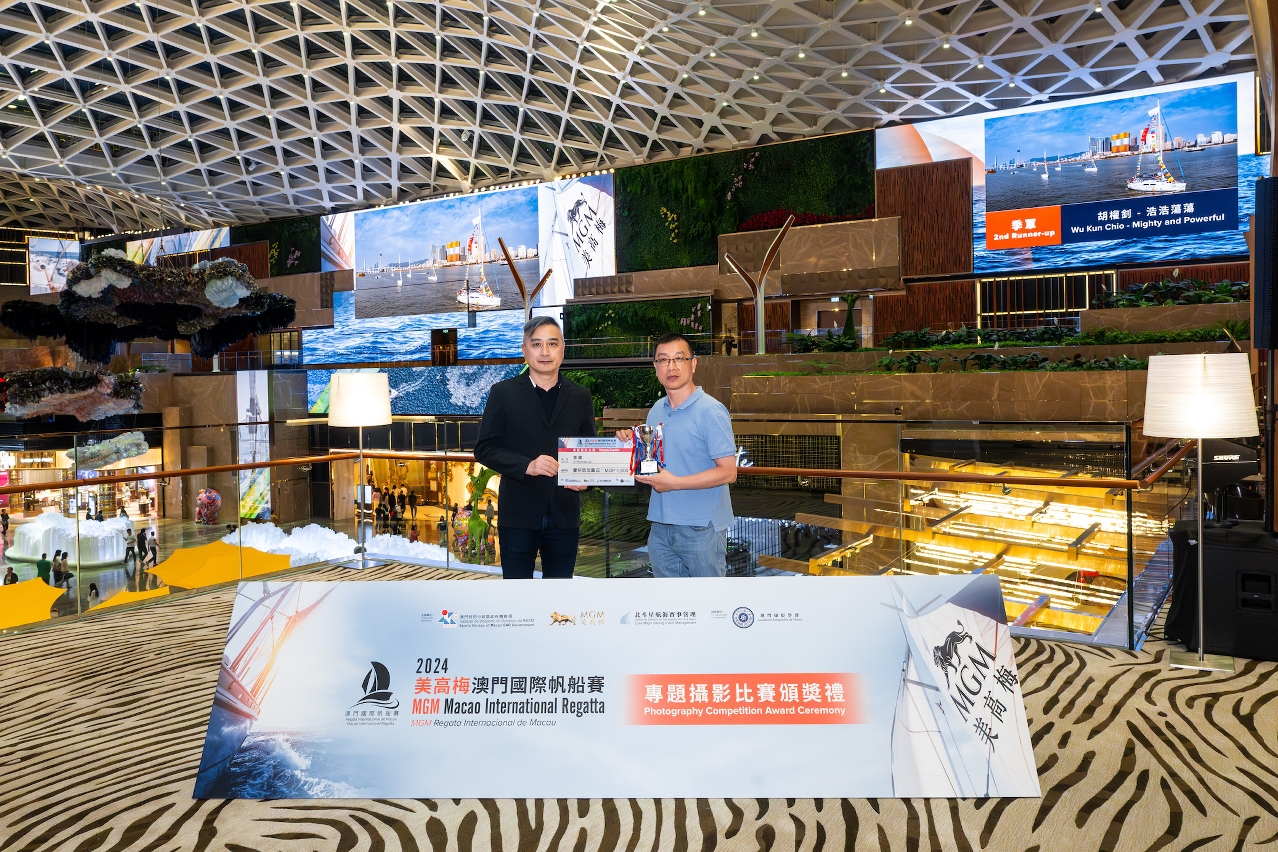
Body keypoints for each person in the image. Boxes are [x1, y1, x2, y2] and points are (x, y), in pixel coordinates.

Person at [475, 316, 596, 579]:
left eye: (552, 343)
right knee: (518, 595)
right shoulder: (503, 393)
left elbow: (588, 451)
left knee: (559, 592)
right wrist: (526, 465)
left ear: (563, 348)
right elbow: (485, 448)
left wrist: (587, 480)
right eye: (536, 344)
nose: (545, 352)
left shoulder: (580, 396)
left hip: (564, 514)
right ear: (524, 350)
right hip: (518, 515)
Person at [617, 332, 737, 577]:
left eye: (679, 358)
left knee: (707, 599)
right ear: (655, 367)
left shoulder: (711, 410)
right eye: (663, 360)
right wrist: (631, 443)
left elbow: (728, 472)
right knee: (669, 600)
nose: (671, 366)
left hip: (701, 527)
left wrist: (675, 483)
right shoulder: (656, 410)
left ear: (693, 364)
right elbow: (653, 460)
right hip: (660, 526)